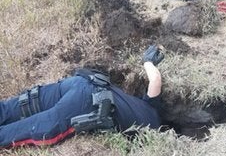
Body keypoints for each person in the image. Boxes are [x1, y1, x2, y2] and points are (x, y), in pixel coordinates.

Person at [0, 45, 165, 148]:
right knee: (37, 127)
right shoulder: (151, 128)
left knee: (25, 102)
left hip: (82, 82)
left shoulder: (150, 106)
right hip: (88, 102)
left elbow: (155, 80)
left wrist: (148, 61)